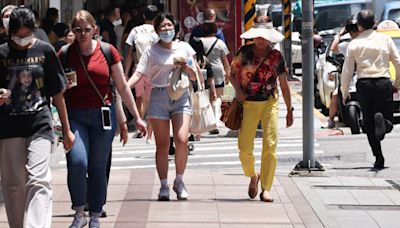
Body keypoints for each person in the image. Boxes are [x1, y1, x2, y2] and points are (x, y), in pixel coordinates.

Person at [60, 10, 146, 227]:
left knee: (98, 168)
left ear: (95, 29)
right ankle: (79, 212)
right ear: (72, 31)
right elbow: (55, 90)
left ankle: (95, 216)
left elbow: (122, 86)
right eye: (77, 30)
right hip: (75, 116)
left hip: (102, 115)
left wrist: (136, 117)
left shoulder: (108, 51)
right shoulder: (64, 53)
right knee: (78, 162)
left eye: (87, 30)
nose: (82, 34)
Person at [0, 7, 74, 227]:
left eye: (26, 35)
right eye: (17, 36)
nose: (22, 40)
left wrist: (67, 129)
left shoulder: (45, 50)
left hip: (40, 125)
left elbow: (57, 92)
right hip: (8, 127)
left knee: (39, 180)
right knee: (14, 185)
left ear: (34, 30)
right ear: (9, 32)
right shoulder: (1, 53)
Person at [127, 13, 200, 201]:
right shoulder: (151, 52)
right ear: (157, 30)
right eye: (162, 27)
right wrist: (124, 87)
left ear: (175, 27)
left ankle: (180, 180)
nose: (167, 29)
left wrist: (186, 67)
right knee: (162, 145)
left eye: (169, 25)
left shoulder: (184, 47)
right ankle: (164, 185)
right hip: (158, 96)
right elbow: (139, 73)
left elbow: (194, 76)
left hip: (181, 95)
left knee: (182, 139)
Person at [229, 22, 294, 202]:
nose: (260, 39)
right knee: (244, 147)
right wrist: (238, 90)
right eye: (257, 35)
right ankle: (252, 175)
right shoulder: (244, 52)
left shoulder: (276, 56)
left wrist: (289, 109)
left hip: (270, 103)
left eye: (264, 36)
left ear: (269, 38)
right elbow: (231, 73)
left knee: (270, 144)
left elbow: (283, 84)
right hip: (248, 103)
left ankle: (266, 188)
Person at [341, 9, 400, 169]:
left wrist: (344, 92)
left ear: (359, 26)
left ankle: (378, 157)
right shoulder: (385, 40)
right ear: (375, 23)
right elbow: (398, 62)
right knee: (387, 118)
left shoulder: (354, 44)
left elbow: (347, 71)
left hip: (364, 84)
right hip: (383, 82)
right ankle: (385, 124)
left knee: (368, 123)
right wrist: (397, 84)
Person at [124, 4, 159, 142]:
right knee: (151, 100)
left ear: (144, 16)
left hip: (139, 69)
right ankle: (150, 133)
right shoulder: (157, 31)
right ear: (156, 17)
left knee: (139, 98)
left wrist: (126, 72)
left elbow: (130, 54)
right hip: (154, 70)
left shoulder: (135, 31)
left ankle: (140, 127)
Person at [327, 15, 360, 129]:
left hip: (366, 76)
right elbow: (334, 48)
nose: (354, 34)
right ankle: (330, 120)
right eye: (351, 31)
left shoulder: (369, 42)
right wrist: (339, 34)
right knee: (336, 94)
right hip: (351, 77)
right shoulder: (347, 45)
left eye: (356, 30)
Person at [200, 22, 230, 134]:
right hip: (217, 71)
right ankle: (214, 122)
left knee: (206, 97)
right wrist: (228, 74)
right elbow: (225, 61)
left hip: (203, 71)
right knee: (217, 98)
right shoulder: (220, 43)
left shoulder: (199, 42)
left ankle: (208, 122)